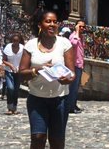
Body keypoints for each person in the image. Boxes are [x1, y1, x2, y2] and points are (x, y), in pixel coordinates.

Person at [19, 10, 77, 148]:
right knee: (38, 137)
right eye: (48, 21)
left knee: (57, 141)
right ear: (40, 25)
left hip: (60, 99)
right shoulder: (31, 45)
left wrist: (67, 79)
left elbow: (72, 73)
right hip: (37, 99)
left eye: (55, 22)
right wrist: (37, 70)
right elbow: (22, 73)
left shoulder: (64, 43)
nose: (52, 24)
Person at [3, 32, 26, 115]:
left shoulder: (23, 48)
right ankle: (9, 107)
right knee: (10, 88)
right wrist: (10, 65)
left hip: (18, 72)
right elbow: (4, 60)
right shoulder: (8, 48)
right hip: (9, 71)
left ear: (19, 40)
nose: (15, 42)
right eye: (14, 40)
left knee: (16, 90)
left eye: (17, 40)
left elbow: (25, 59)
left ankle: (14, 107)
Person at [66, 21, 86, 113]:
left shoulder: (82, 37)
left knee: (76, 87)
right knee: (73, 87)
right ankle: (70, 107)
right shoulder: (73, 36)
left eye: (83, 27)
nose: (82, 28)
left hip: (79, 64)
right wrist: (77, 31)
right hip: (74, 65)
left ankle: (73, 104)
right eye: (80, 26)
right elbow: (73, 43)